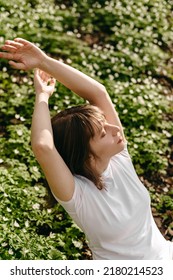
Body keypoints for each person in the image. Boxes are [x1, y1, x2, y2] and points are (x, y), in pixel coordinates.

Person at [0, 38, 172, 260]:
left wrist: (43, 61)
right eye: (102, 132)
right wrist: (41, 96)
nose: (115, 129)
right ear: (85, 152)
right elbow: (43, 146)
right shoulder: (77, 194)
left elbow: (98, 94)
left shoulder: (119, 157)